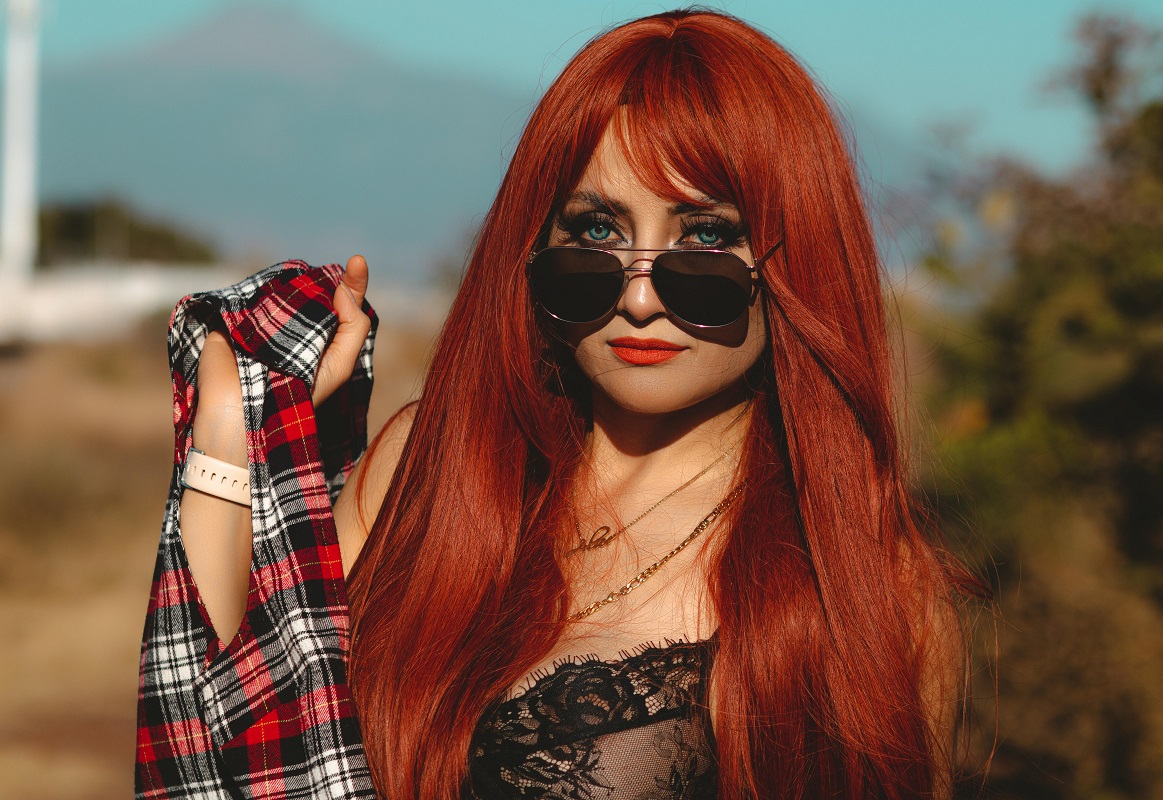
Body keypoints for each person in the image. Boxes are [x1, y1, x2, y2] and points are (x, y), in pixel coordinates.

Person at [154, 8, 984, 799]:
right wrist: (234, 422)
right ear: (535, 247)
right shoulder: (430, 467)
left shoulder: (870, 595)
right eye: (596, 233)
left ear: (795, 262)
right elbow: (217, 726)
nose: (639, 298)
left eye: (705, 238)